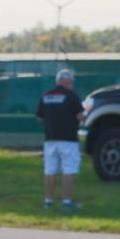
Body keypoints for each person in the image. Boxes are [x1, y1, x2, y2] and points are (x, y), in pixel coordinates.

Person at [36, 68, 82, 210]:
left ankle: (48, 201)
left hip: (50, 139)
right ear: (67, 81)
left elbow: (39, 117)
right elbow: (80, 116)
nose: (72, 85)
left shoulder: (46, 95)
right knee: (69, 169)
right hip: (68, 139)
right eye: (71, 82)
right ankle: (67, 202)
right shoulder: (71, 95)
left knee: (50, 170)